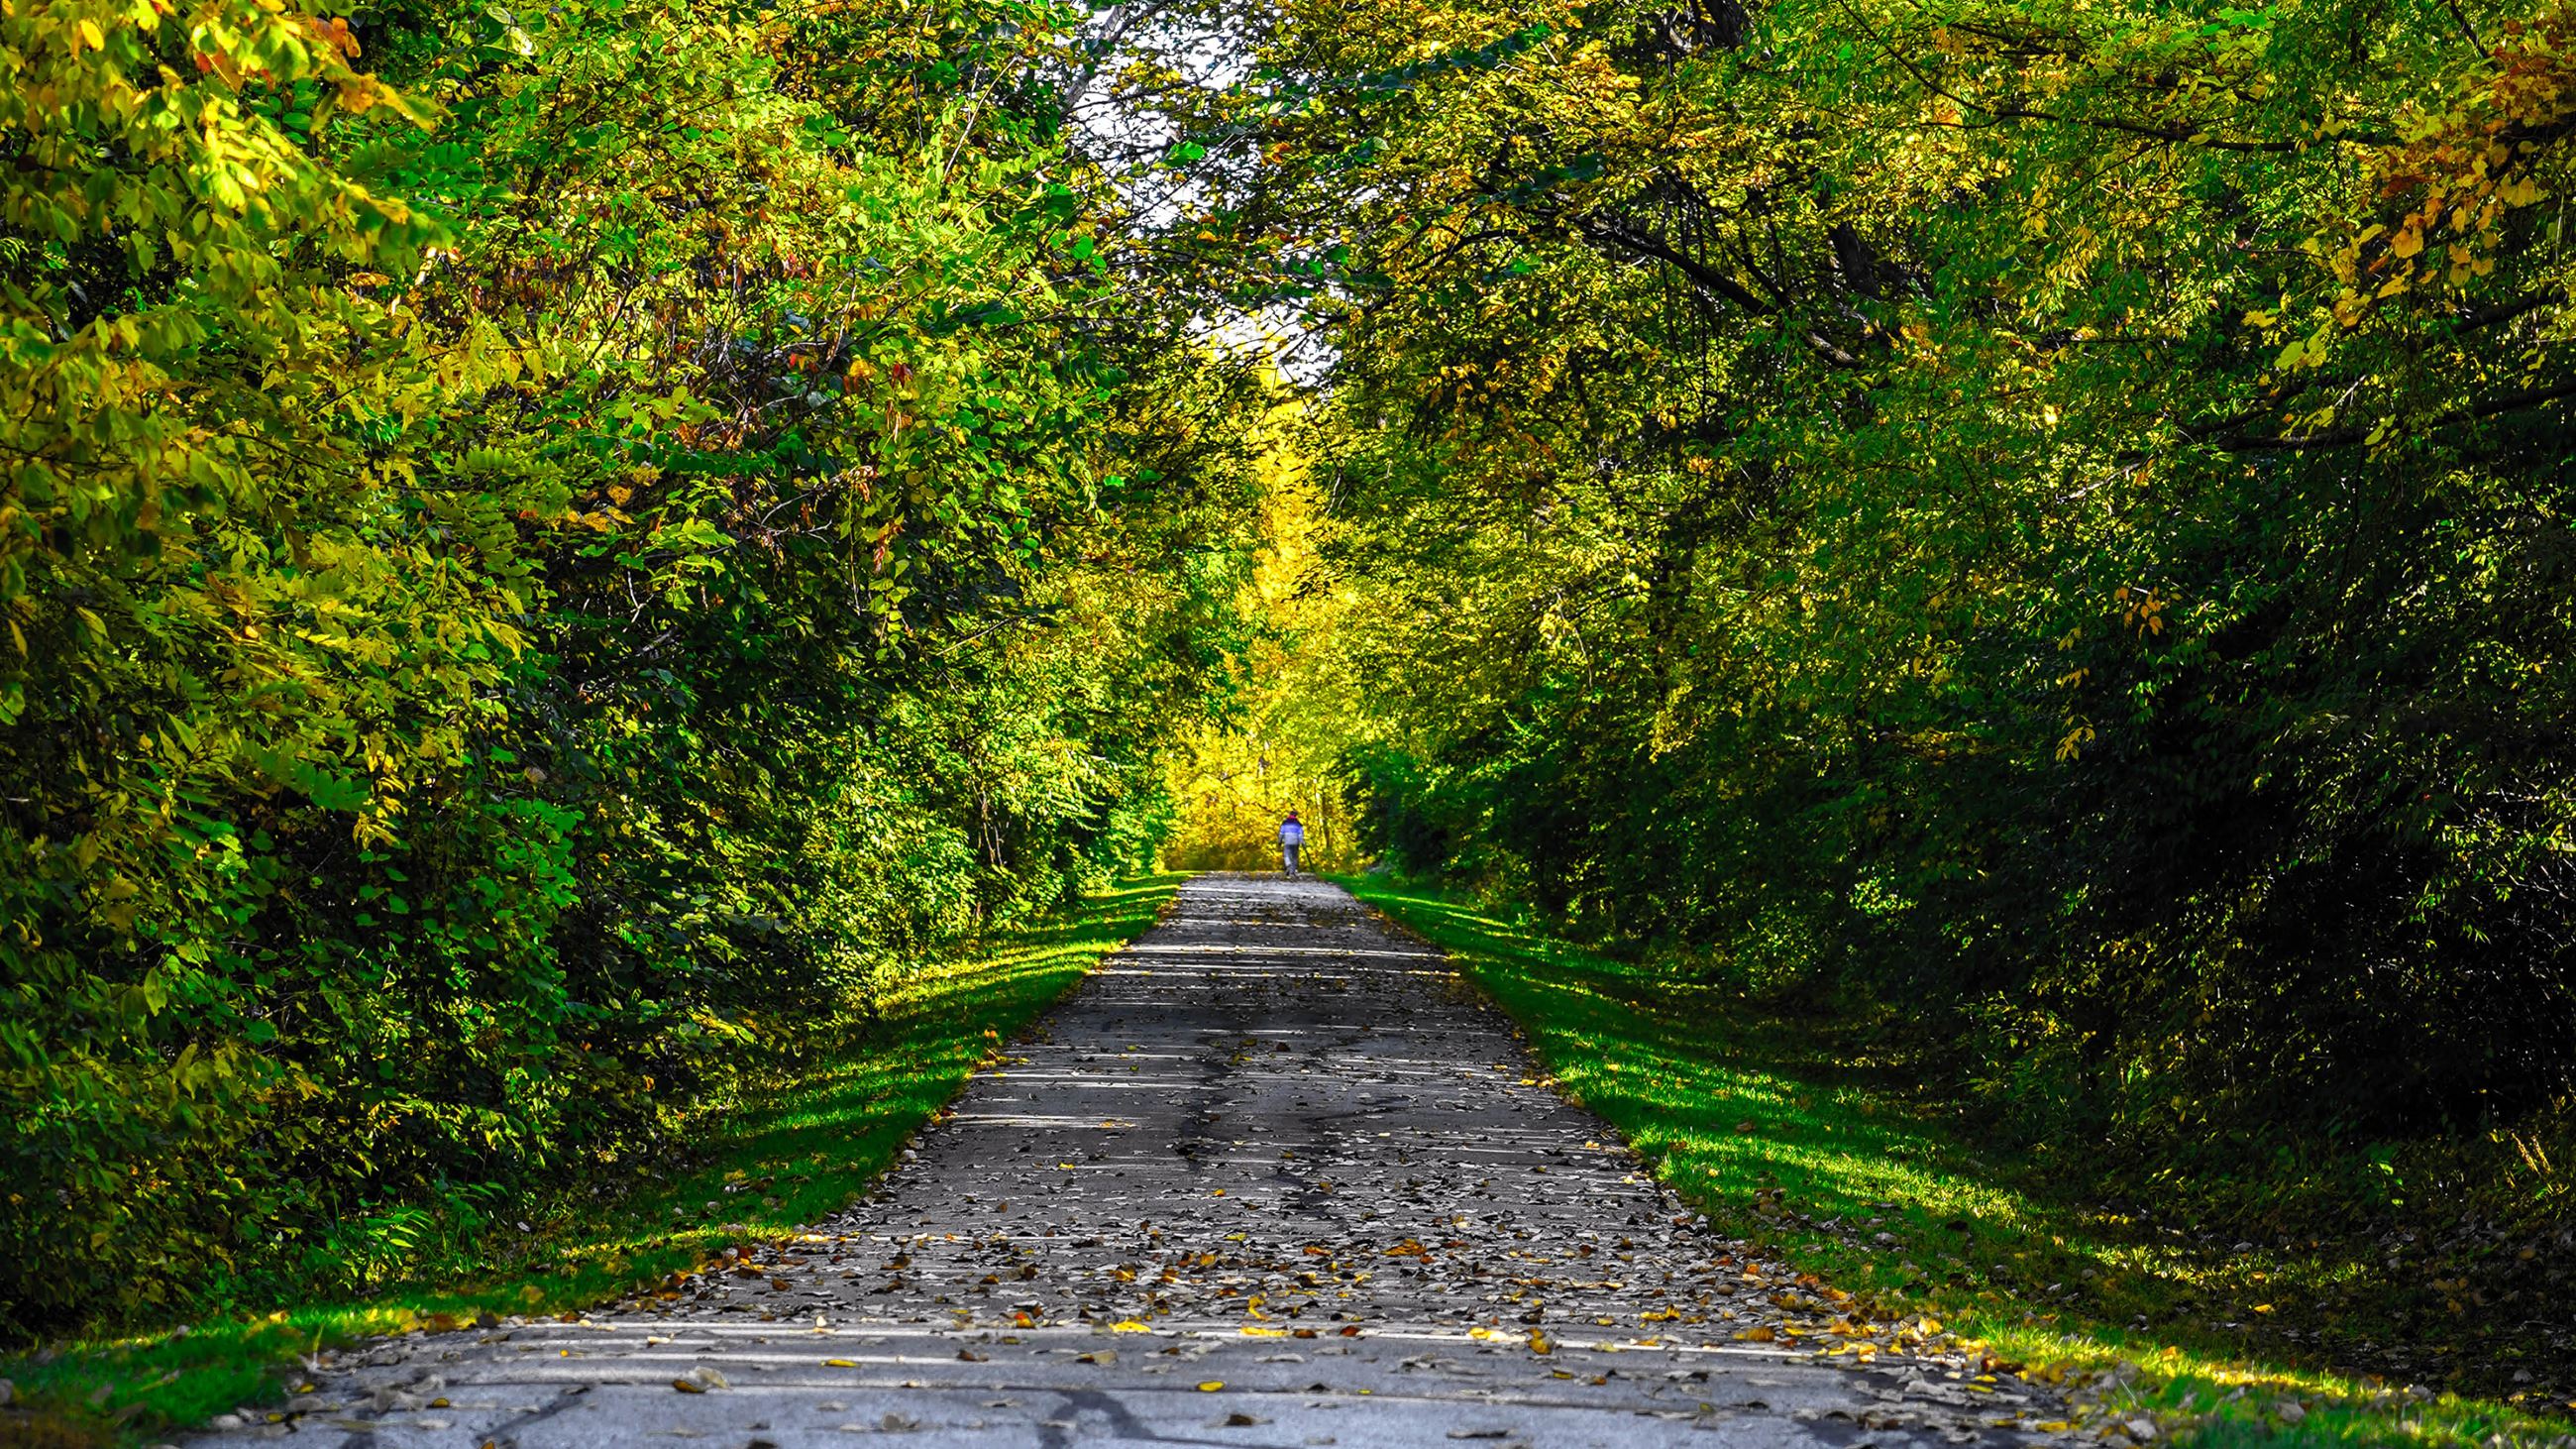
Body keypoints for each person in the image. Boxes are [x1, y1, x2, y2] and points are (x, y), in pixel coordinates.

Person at [1278, 811, 1305, 878]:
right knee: (1295, 856)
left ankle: (1288, 865)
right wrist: (1302, 842)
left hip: (1287, 841)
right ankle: (1292, 871)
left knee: (1286, 855)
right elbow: (1300, 835)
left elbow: (1281, 833)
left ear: (1289, 815)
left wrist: (1279, 841)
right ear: (1296, 816)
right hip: (1295, 842)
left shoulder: (1284, 823)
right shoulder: (1298, 824)